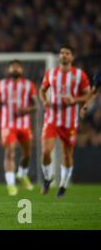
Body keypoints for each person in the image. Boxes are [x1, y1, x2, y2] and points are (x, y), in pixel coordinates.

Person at [39, 45, 91, 197]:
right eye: (62, 53)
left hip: (69, 121)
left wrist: (75, 100)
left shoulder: (79, 75)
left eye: (67, 53)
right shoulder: (51, 73)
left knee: (67, 154)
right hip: (51, 118)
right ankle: (48, 178)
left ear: (72, 57)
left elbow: (88, 95)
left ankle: (63, 185)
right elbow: (42, 90)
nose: (63, 55)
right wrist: (44, 101)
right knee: (46, 151)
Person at [0, 60, 37, 196]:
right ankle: (11, 185)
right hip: (7, 124)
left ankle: (22, 174)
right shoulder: (2, 84)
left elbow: (36, 106)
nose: (15, 69)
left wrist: (26, 110)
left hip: (24, 124)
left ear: (21, 70)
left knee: (27, 154)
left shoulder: (29, 85)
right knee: (10, 152)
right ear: (9, 70)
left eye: (17, 67)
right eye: (13, 67)